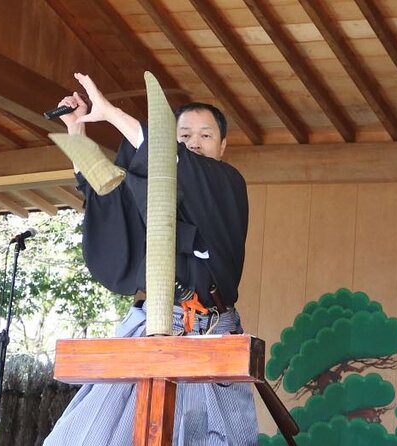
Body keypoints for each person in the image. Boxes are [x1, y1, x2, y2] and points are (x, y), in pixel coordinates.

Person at [43, 73, 258, 446]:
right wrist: (76, 130)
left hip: (209, 331)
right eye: (184, 135)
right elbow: (109, 188)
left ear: (223, 145)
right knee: (88, 436)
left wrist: (110, 113)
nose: (193, 143)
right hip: (149, 325)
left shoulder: (227, 183)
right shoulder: (159, 187)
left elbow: (171, 161)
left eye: (205, 135)